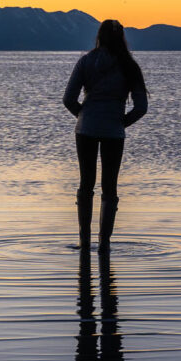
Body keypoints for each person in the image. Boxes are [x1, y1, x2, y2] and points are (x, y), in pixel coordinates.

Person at [62, 20, 148, 252]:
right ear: (122, 38)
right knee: (110, 186)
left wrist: (85, 117)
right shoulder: (130, 67)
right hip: (113, 131)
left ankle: (84, 241)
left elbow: (68, 99)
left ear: (99, 36)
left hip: (86, 129)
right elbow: (141, 107)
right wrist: (121, 123)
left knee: (86, 183)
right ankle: (104, 244)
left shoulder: (86, 61)